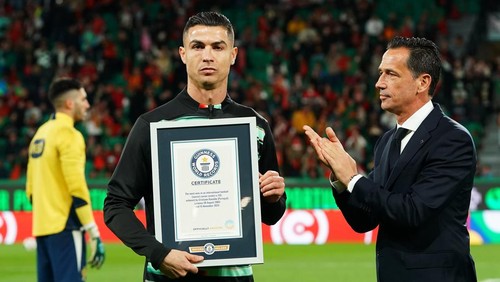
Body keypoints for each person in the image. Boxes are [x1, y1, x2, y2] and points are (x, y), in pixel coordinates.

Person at [104, 11, 286, 281]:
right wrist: (159, 253)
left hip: (234, 274)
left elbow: (271, 214)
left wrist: (273, 197)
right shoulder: (153, 125)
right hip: (168, 275)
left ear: (233, 55)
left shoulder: (254, 127)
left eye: (218, 47)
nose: (208, 55)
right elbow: (116, 205)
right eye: (198, 46)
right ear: (183, 54)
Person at [304, 36, 477, 282]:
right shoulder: (387, 142)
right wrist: (341, 180)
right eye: (380, 73)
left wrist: (353, 178)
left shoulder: (451, 139)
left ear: (422, 82)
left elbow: (412, 211)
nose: (379, 83)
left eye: (391, 74)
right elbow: (364, 219)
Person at [26, 77, 105, 282]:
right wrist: (93, 230)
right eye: (83, 99)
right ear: (70, 103)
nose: (87, 104)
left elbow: (30, 189)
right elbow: (76, 186)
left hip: (42, 227)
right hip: (66, 226)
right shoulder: (69, 134)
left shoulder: (40, 134)